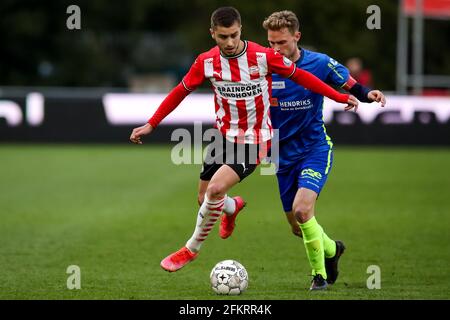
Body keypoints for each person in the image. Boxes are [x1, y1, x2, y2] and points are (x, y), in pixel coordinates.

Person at [129, 7, 358, 273]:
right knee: (205, 199)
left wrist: (340, 96)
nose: (229, 42)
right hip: (222, 138)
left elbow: (303, 76)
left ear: (241, 30)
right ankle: (232, 206)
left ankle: (190, 249)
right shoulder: (205, 61)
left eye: (234, 35)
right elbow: (180, 92)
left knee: (215, 190)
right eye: (223, 36)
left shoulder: (263, 56)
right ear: (212, 33)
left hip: (255, 140)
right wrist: (151, 123)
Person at [256, 10, 386, 290]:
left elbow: (350, 84)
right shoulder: (262, 67)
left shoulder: (319, 63)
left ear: (297, 37)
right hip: (281, 156)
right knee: (297, 226)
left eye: (281, 43)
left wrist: (369, 94)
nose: (275, 49)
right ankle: (332, 249)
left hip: (314, 148)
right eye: (271, 43)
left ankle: (319, 277)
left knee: (303, 211)